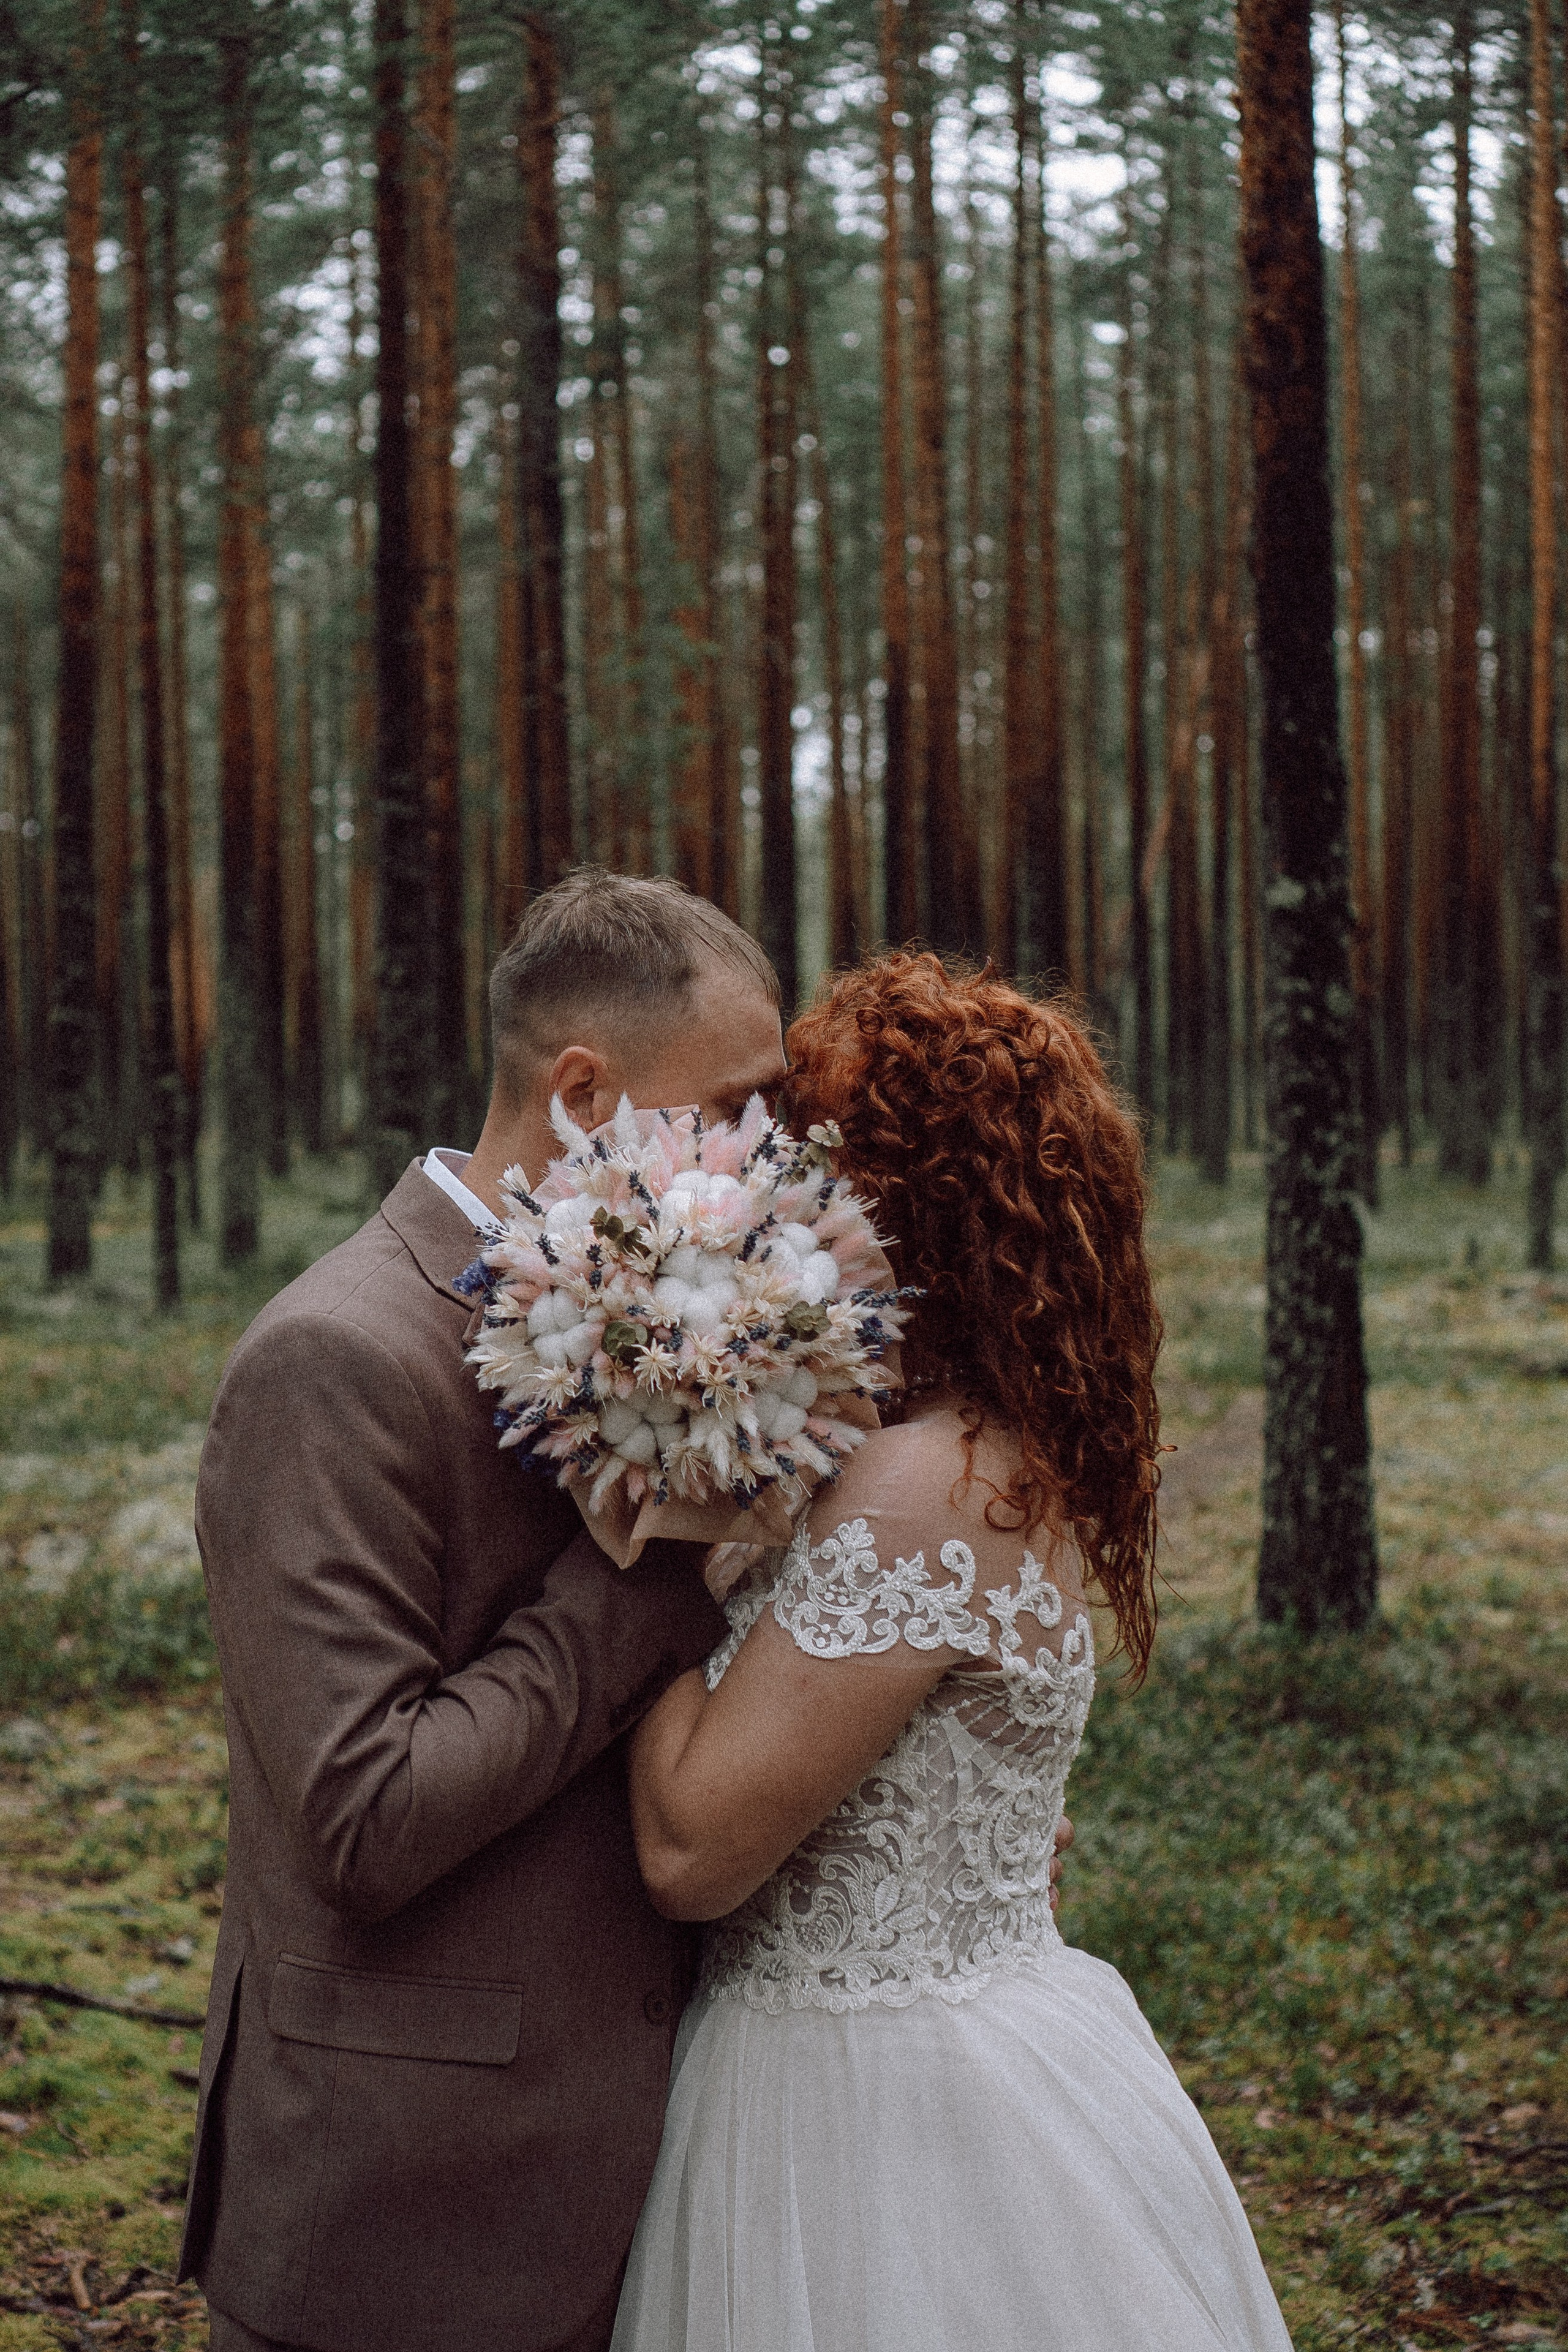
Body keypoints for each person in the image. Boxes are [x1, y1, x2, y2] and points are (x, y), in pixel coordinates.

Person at [612, 952, 1294, 2352]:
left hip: (871, 2111)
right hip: (936, 2038)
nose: (775, 1193)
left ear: (919, 1208)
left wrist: (644, 1551)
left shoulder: (929, 1480)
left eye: (821, 1161)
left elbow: (690, 1852)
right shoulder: (940, 1446)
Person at [181, 872, 789, 2352]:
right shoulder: (334, 1360)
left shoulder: (680, 1315)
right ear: (584, 1095)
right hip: (406, 2223)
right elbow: (365, 1817)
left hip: (653, 2177)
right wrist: (642, 1576)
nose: (761, 1152)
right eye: (730, 1105)